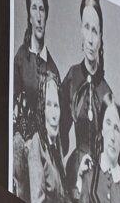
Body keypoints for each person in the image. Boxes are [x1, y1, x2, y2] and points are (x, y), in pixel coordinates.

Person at [60, 0, 111, 166]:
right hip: (75, 172)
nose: (90, 39)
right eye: (86, 27)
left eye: (95, 31)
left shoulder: (106, 93)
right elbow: (60, 132)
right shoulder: (72, 77)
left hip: (99, 179)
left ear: (101, 38)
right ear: (81, 30)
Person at [12, 68, 74, 203]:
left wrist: (79, 180)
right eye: (48, 105)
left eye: (56, 106)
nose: (53, 115)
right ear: (41, 110)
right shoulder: (37, 145)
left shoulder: (57, 149)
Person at [12, 0, 61, 138]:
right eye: (34, 8)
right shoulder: (20, 59)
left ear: (46, 14)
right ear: (29, 16)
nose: (39, 16)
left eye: (42, 9)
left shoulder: (53, 68)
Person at [84, 97, 120, 203]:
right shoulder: (88, 180)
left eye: (117, 129)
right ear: (102, 130)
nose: (112, 136)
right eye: (108, 123)